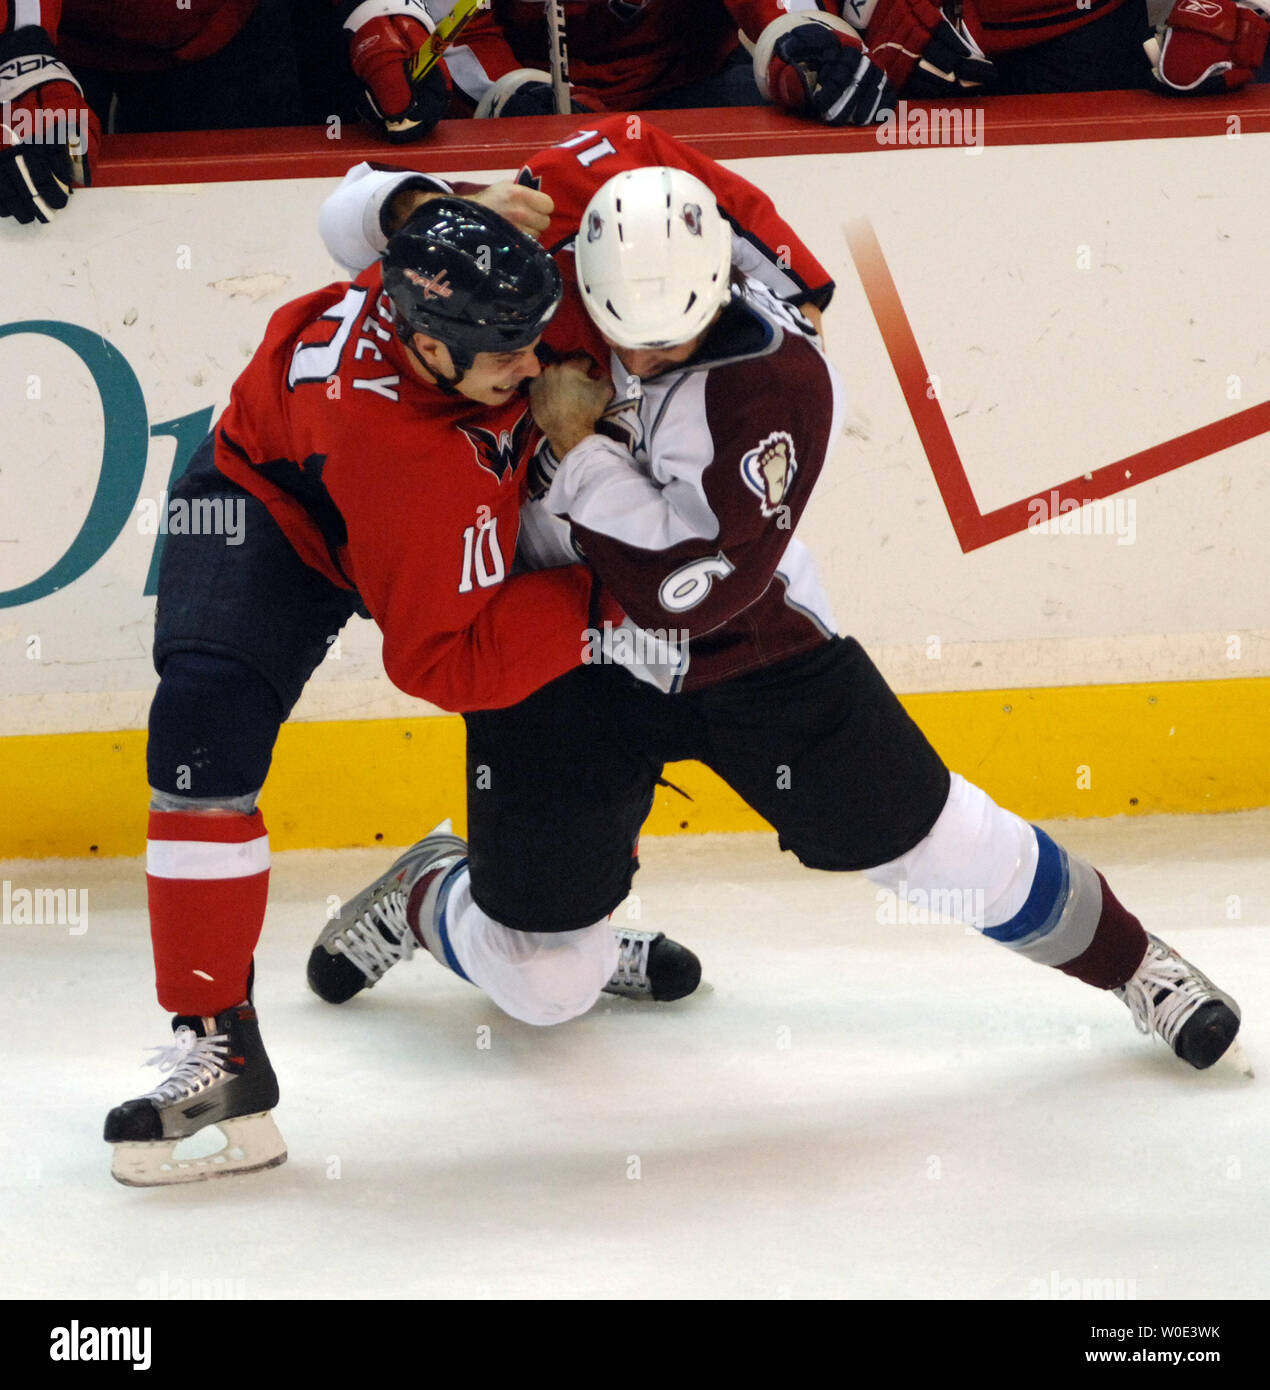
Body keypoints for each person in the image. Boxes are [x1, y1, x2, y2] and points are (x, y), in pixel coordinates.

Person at [309, 119, 1243, 1114]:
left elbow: (688, 585)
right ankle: (431, 890)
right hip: (556, 657)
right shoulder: (550, 248)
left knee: (938, 843)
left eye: (667, 337)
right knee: (546, 985)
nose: (641, 351)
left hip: (739, 644)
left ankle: (1137, 965)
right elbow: (583, 154)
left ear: (718, 286)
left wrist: (579, 447)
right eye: (618, 324)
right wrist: (422, 211)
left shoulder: (778, 386)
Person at [102, 189, 704, 1188]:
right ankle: (220, 1052)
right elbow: (444, 660)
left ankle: (549, 923)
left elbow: (362, 207)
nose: (531, 365)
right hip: (278, 515)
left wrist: (434, 202)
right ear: (427, 347)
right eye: (506, 355)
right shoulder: (410, 459)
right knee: (201, 736)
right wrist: (615, 592)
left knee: (605, 708)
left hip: (448, 499)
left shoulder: (484, 287)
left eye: (533, 335)